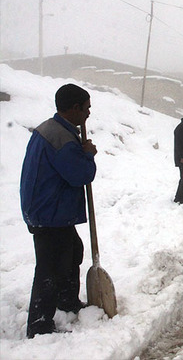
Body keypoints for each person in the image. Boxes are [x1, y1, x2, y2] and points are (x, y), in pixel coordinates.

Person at [20, 83, 97, 338]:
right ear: (74, 108)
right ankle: (39, 325)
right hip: (49, 213)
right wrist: (87, 154)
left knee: (73, 250)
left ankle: (67, 301)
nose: (88, 113)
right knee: (49, 268)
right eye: (86, 108)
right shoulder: (62, 138)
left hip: (49, 208)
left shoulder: (51, 129)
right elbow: (80, 175)